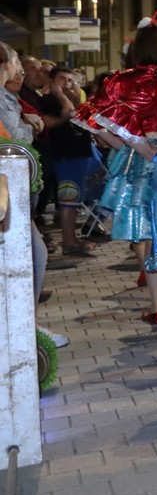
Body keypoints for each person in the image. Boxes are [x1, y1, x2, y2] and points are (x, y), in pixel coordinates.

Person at [79, 23, 157, 325]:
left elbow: (89, 117)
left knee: (146, 234)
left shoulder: (122, 80)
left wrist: (123, 145)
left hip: (137, 161)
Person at [0, 44, 63, 347]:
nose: (20, 70)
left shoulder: (7, 96)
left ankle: (25, 325)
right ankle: (22, 329)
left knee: (35, 256)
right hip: (7, 190)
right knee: (33, 257)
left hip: (14, 190)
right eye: (16, 62)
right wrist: (31, 125)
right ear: (6, 64)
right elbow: (13, 142)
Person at [39, 65, 104, 259]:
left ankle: (73, 238)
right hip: (66, 156)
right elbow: (62, 115)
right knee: (69, 197)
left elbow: (85, 117)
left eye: (70, 80)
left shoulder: (72, 99)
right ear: (52, 81)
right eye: (62, 79)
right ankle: (69, 242)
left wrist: (76, 98)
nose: (66, 84)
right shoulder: (48, 100)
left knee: (79, 197)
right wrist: (61, 96)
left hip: (81, 155)